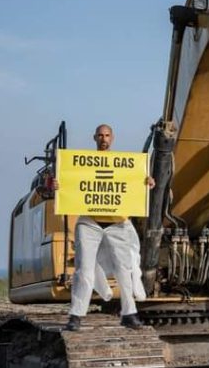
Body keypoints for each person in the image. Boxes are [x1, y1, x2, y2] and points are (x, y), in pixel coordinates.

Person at [59, 124, 154, 331]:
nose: (104, 139)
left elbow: (135, 185)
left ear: (113, 138)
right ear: (94, 137)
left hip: (118, 223)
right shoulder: (81, 165)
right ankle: (76, 316)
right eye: (100, 135)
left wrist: (146, 183)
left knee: (124, 270)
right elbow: (70, 183)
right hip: (90, 221)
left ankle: (129, 313)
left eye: (107, 135)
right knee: (84, 270)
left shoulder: (125, 165)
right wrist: (58, 185)